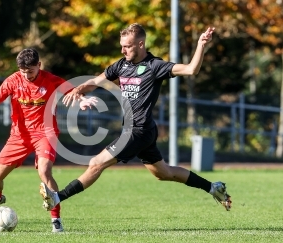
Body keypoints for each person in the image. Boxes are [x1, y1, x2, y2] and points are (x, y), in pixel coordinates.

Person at [39, 24, 232, 217]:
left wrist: (201, 45)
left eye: (127, 46)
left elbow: (191, 70)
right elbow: (96, 82)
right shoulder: (121, 65)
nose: (123, 50)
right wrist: (79, 88)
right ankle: (213, 187)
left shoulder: (155, 66)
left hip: (138, 130)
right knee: (164, 173)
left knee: (96, 163)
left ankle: (57, 197)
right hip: (141, 131)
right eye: (122, 46)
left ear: (141, 44)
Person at [0, 48, 91, 233]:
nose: (26, 75)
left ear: (39, 66)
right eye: (23, 71)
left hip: (46, 133)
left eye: (31, 71)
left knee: (44, 171)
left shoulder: (50, 79)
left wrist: (82, 100)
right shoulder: (13, 81)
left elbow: (72, 90)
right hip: (19, 136)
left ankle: (56, 220)